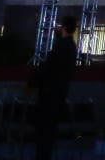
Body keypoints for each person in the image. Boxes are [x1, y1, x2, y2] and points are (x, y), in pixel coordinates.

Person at [31, 16, 77, 160]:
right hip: (60, 92)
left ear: (63, 27)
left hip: (50, 93)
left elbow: (48, 67)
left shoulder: (60, 46)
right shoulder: (72, 47)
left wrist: (33, 81)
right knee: (50, 130)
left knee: (44, 130)